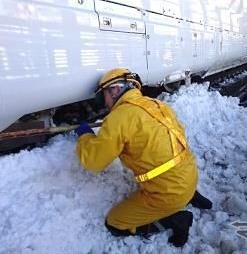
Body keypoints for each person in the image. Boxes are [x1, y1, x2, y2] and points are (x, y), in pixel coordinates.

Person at [75, 68, 212, 247]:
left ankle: (175, 220)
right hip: (190, 176)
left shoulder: (118, 118)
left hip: (169, 193)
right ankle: (189, 195)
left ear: (115, 90)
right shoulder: (157, 105)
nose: (104, 104)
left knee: (116, 223)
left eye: (102, 98)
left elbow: (93, 161)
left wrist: (85, 136)